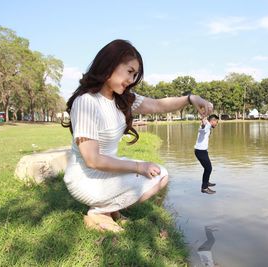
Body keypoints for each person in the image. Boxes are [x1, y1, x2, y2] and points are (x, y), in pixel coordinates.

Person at [62, 39, 213, 232]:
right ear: (110, 64)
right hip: (86, 178)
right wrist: (138, 167)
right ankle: (98, 212)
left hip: (108, 170)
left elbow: (159, 105)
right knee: (154, 176)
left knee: (161, 174)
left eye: (135, 75)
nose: (132, 80)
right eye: (130, 72)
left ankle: (109, 208)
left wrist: (191, 98)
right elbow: (92, 160)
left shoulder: (122, 99)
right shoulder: (86, 102)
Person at [194, 114, 219, 194]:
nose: (217, 124)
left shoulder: (208, 126)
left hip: (203, 151)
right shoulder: (206, 125)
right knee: (208, 168)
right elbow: (202, 129)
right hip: (200, 151)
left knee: (208, 168)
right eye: (216, 122)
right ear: (213, 121)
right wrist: (203, 125)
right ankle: (204, 188)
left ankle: (206, 182)